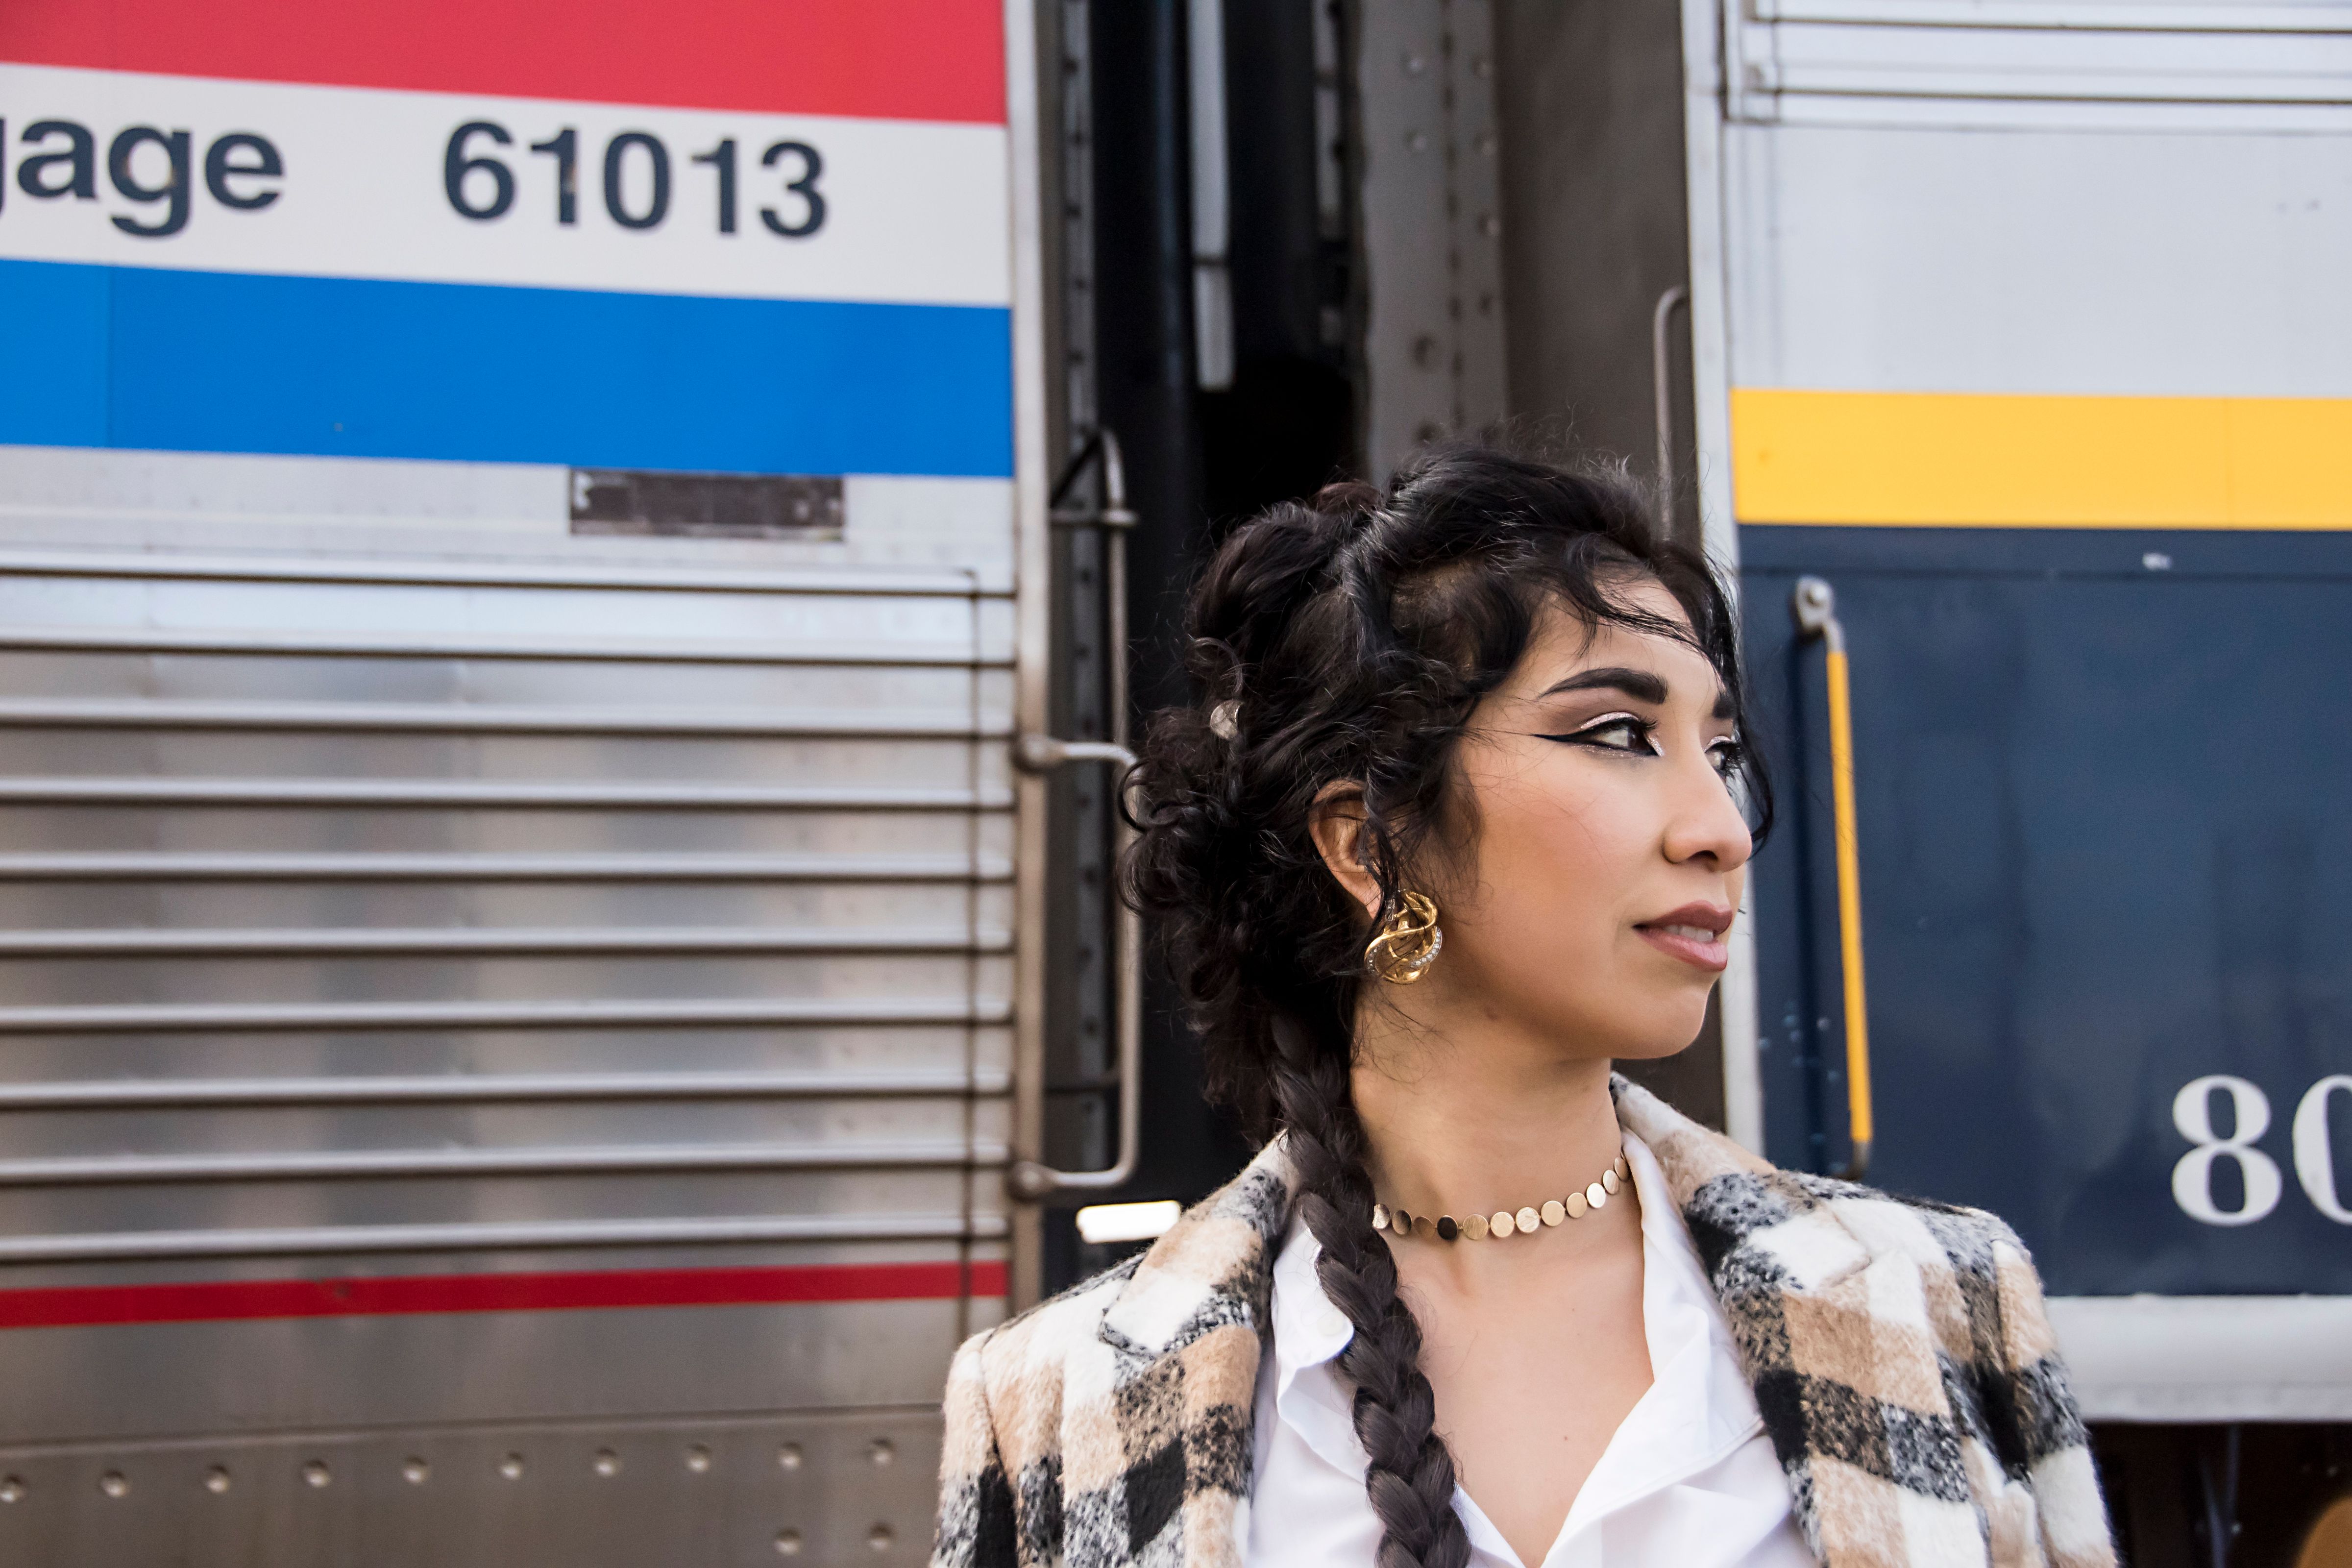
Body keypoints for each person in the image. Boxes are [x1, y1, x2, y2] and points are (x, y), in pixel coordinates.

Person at [931, 448, 2113, 1568]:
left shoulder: (1946, 1300)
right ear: (1370, 844)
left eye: (1719, 749)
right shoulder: (1056, 1402)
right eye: (1619, 735)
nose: (1721, 829)